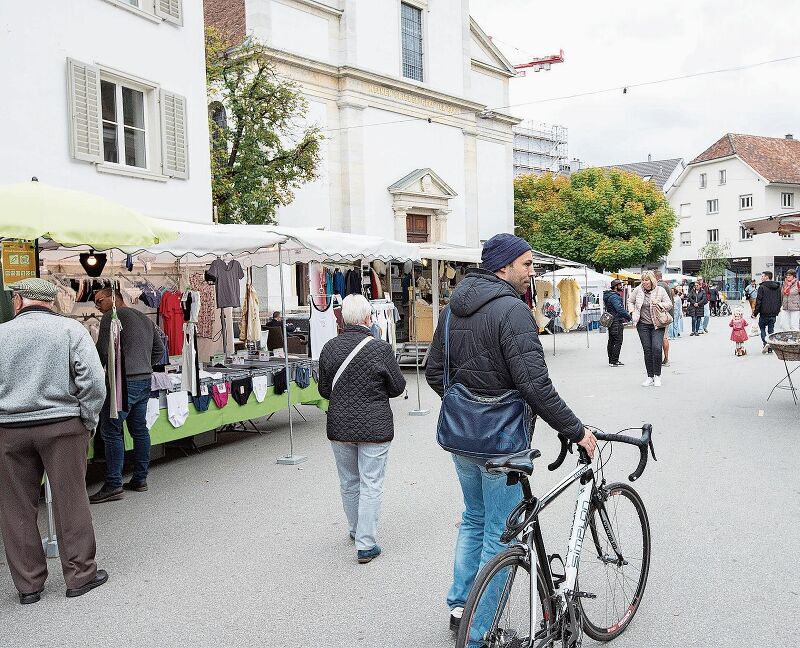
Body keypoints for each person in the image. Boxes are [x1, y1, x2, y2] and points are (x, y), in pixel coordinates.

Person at [425, 233, 596, 636]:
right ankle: (478, 632)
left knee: (473, 519)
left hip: (460, 437)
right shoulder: (512, 311)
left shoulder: (452, 310)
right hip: (501, 442)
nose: (532, 272)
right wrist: (576, 430)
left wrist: (464, 405)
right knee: (500, 534)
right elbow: (536, 386)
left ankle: (460, 607)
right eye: (526, 264)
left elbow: (435, 372)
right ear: (503, 267)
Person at [0, 279, 108, 603]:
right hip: (62, 427)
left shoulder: (0, 335)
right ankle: (80, 576)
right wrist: (87, 419)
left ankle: (28, 586)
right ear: (51, 302)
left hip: (9, 429)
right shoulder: (71, 331)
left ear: (18, 301)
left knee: (16, 507)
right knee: (70, 500)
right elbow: (94, 381)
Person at [317, 294, 406, 564]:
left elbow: (323, 389)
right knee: (371, 483)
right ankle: (366, 544)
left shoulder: (330, 347)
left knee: (349, 482)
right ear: (369, 318)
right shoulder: (380, 349)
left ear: (342, 318)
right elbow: (398, 387)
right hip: (375, 426)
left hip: (340, 425)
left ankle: (356, 530)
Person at [89, 288, 166, 503]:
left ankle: (114, 484)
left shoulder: (110, 316)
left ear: (113, 299)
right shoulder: (143, 317)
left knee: (112, 430)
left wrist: (93, 377)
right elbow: (160, 349)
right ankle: (140, 479)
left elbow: (103, 352)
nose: (97, 306)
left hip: (122, 381)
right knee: (139, 428)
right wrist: (145, 365)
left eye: (99, 301)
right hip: (143, 380)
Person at [627, 270, 672, 387]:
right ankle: (650, 376)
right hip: (643, 325)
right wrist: (632, 312)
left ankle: (657, 375)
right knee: (647, 350)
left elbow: (669, 304)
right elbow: (630, 301)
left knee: (656, 348)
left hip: (658, 324)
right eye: (642, 280)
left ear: (652, 280)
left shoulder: (660, 290)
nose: (644, 282)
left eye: (646, 280)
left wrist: (659, 304)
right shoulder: (638, 290)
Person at [603, 278, 631, 366]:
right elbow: (619, 309)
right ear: (615, 287)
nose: (621, 286)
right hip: (616, 321)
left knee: (611, 340)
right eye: (620, 285)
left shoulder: (609, 295)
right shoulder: (615, 297)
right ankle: (614, 361)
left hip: (611, 320)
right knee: (618, 341)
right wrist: (628, 317)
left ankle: (611, 360)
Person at [754, 271, 781, 352]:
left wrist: (755, 313)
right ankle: (770, 347)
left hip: (764, 312)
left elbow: (759, 301)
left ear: (766, 277)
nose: (761, 278)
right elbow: (780, 300)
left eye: (762, 276)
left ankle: (765, 343)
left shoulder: (762, 287)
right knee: (771, 330)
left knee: (762, 328)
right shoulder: (777, 287)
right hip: (773, 313)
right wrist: (777, 310)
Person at [654, 270, 674, 366]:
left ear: (656, 277)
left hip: (661, 315)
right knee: (664, 337)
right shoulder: (667, 285)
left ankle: (665, 359)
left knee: (663, 338)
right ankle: (665, 359)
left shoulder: (659, 286)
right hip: (667, 315)